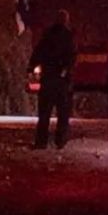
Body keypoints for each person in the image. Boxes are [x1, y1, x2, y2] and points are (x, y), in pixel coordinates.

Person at [30, 9, 77, 149]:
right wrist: (68, 74)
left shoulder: (47, 35)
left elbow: (37, 53)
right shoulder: (69, 37)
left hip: (47, 79)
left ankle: (41, 142)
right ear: (66, 20)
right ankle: (60, 140)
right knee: (63, 113)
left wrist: (31, 69)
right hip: (61, 81)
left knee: (44, 113)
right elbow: (72, 58)